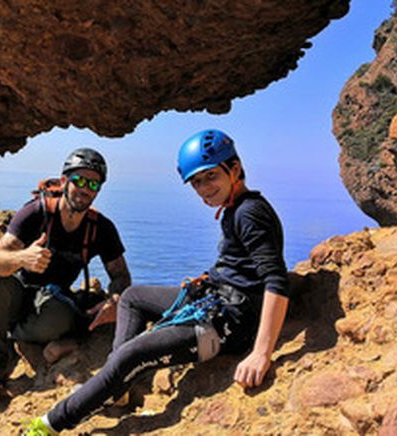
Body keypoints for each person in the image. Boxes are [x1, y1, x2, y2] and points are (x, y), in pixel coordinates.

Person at [24, 129, 290, 435]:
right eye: (197, 182)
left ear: (235, 168)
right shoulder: (235, 209)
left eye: (211, 176)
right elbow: (243, 267)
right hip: (217, 298)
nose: (204, 189)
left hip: (230, 323)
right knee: (132, 297)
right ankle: (117, 387)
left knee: (130, 354)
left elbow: (276, 281)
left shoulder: (249, 213)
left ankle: (49, 425)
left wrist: (261, 353)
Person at [0, 148, 132, 394]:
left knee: (59, 317)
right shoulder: (36, 213)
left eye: (93, 183)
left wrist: (114, 299)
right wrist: (23, 257)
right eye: (79, 180)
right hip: (19, 290)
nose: (85, 188)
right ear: (63, 181)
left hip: (51, 301)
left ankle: (4, 330)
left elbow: (120, 275)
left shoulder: (100, 228)